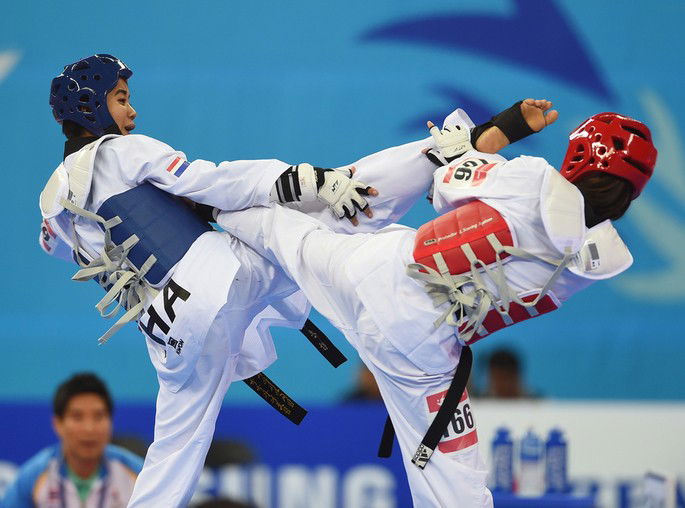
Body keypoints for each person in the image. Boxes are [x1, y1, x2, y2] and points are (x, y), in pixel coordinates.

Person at [40, 54, 538, 506]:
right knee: (324, 207)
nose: (132, 113)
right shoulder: (122, 151)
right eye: (122, 99)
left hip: (175, 336)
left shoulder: (53, 204)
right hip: (223, 278)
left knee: (173, 450)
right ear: (90, 105)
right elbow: (205, 179)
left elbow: (59, 247)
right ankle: (446, 151)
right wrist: (306, 178)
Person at [215, 108, 657, 506]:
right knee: (458, 490)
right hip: (424, 355)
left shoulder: (531, 179)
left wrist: (489, 137)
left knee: (284, 229)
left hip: (379, 278)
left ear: (579, 156)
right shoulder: (598, 264)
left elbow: (445, 185)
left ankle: (204, 207)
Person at [1, 373, 143, 507]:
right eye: (77, 417)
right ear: (58, 424)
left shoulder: (137, 474)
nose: (89, 428)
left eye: (99, 416)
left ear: (110, 422)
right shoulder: (34, 477)